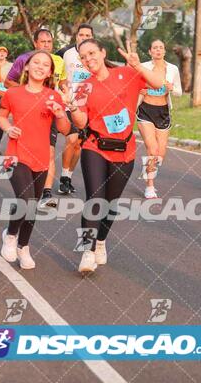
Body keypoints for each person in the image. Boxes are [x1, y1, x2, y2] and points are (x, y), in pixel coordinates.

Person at [69, 39, 164, 273]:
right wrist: (72, 107)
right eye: (83, 56)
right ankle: (87, 251)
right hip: (95, 146)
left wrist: (138, 66)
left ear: (103, 53)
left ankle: (100, 241)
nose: (88, 58)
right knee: (95, 198)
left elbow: (159, 84)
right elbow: (81, 122)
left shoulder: (126, 73)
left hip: (124, 149)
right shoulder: (84, 87)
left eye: (92, 52)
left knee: (111, 204)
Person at [0, 50, 70, 269]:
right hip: (15, 154)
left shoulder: (54, 96)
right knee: (26, 199)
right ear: (26, 67)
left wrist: (60, 114)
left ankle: (24, 247)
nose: (40, 66)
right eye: (36, 62)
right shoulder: (13, 94)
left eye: (45, 64)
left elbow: (65, 129)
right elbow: (1, 115)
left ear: (50, 72)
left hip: (41, 158)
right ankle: (10, 236)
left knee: (33, 206)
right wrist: (8, 128)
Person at [5, 28, 68, 208]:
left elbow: (62, 81)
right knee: (26, 154)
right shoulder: (23, 59)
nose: (46, 45)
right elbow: (8, 81)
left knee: (49, 151)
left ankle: (45, 194)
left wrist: (65, 89)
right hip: (26, 115)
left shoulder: (58, 61)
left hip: (49, 111)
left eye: (49, 42)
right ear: (35, 43)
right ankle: (27, 190)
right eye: (43, 42)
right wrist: (27, 92)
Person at [137, 39, 182, 199]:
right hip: (145, 110)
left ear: (164, 51)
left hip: (163, 112)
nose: (158, 50)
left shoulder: (172, 69)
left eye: (161, 48)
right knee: (153, 149)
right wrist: (140, 90)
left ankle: (148, 168)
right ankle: (150, 186)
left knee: (160, 153)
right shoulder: (143, 67)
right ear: (150, 51)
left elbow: (179, 92)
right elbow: (134, 85)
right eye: (154, 47)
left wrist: (172, 88)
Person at [57, 23, 94, 195]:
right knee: (72, 139)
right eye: (81, 35)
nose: (84, 38)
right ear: (76, 37)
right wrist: (62, 89)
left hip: (88, 105)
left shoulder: (96, 55)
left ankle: (68, 177)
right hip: (69, 103)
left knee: (79, 144)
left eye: (88, 36)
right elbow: (55, 72)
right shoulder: (65, 53)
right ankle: (63, 178)